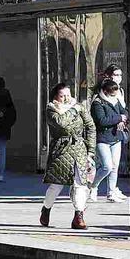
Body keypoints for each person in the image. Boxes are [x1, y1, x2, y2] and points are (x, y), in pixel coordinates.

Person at [41, 82, 96, 230]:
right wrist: (74, 109)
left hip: (79, 149)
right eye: (62, 96)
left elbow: (90, 126)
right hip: (61, 149)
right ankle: (46, 209)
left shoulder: (79, 107)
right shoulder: (51, 109)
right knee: (56, 185)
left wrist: (91, 150)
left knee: (80, 184)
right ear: (55, 97)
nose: (66, 98)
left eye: (68, 95)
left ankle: (79, 216)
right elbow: (62, 124)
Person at [90, 78, 128, 202]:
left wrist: (122, 119)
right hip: (103, 138)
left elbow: (125, 112)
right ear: (105, 92)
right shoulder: (97, 103)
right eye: (112, 94)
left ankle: (111, 193)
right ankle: (93, 186)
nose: (115, 96)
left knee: (114, 167)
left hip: (116, 137)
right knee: (107, 166)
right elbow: (102, 120)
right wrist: (119, 118)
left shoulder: (116, 100)